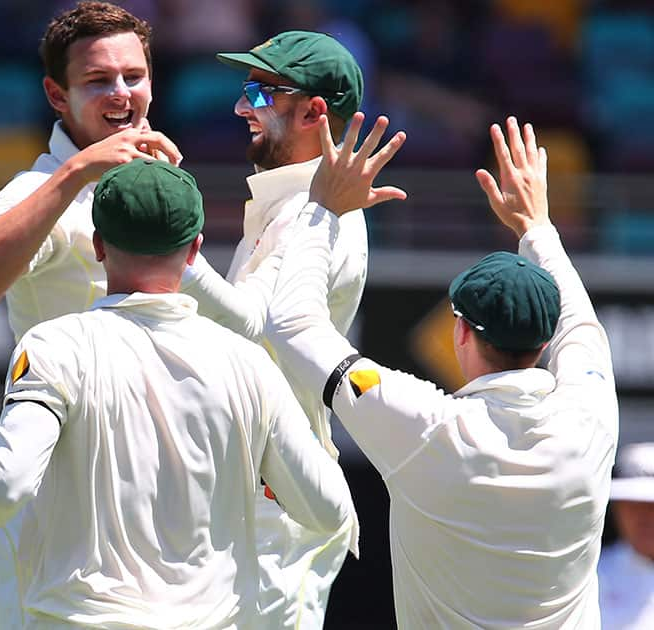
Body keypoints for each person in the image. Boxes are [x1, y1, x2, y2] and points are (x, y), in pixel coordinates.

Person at [0, 158, 356, 628]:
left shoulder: (54, 345)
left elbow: (9, 482)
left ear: (98, 245)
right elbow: (328, 511)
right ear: (196, 248)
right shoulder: (250, 365)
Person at [264, 114, 618, 628]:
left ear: (460, 333)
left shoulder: (426, 427)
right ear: (545, 343)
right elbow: (581, 323)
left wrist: (325, 208)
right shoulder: (591, 414)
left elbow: (293, 324)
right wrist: (536, 224)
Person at [0, 3, 181, 626]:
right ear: (57, 94)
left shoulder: (167, 180)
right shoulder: (36, 188)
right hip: (57, 498)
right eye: (98, 80)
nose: (122, 94)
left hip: (157, 490)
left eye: (134, 76)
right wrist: (78, 171)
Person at [178, 30, 404, 628]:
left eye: (258, 91)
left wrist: (164, 238)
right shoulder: (297, 206)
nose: (239, 106)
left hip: (278, 506)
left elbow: (254, 323)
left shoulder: (317, 215)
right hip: (256, 494)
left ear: (313, 112)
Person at [598, 442, 654, 629]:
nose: (645, 517)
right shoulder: (588, 576)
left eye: (652, 506)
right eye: (632, 505)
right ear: (615, 509)